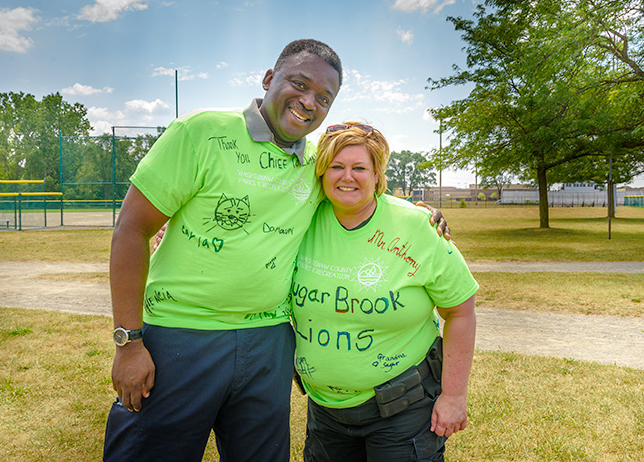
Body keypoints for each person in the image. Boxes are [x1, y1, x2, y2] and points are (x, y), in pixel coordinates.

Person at [103, 39, 447, 461]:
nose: (308, 102)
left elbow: (360, 183)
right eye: (298, 84)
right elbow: (131, 230)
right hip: (181, 334)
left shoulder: (319, 160)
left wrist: (419, 212)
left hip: (269, 341)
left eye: (323, 97)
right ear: (269, 79)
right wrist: (128, 341)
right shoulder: (201, 132)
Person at [291, 123, 478, 461]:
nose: (347, 176)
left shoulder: (417, 227)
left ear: (377, 174)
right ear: (321, 173)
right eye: (336, 166)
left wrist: (454, 396)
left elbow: (460, 311)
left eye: (359, 167)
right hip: (324, 413)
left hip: (402, 412)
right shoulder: (298, 222)